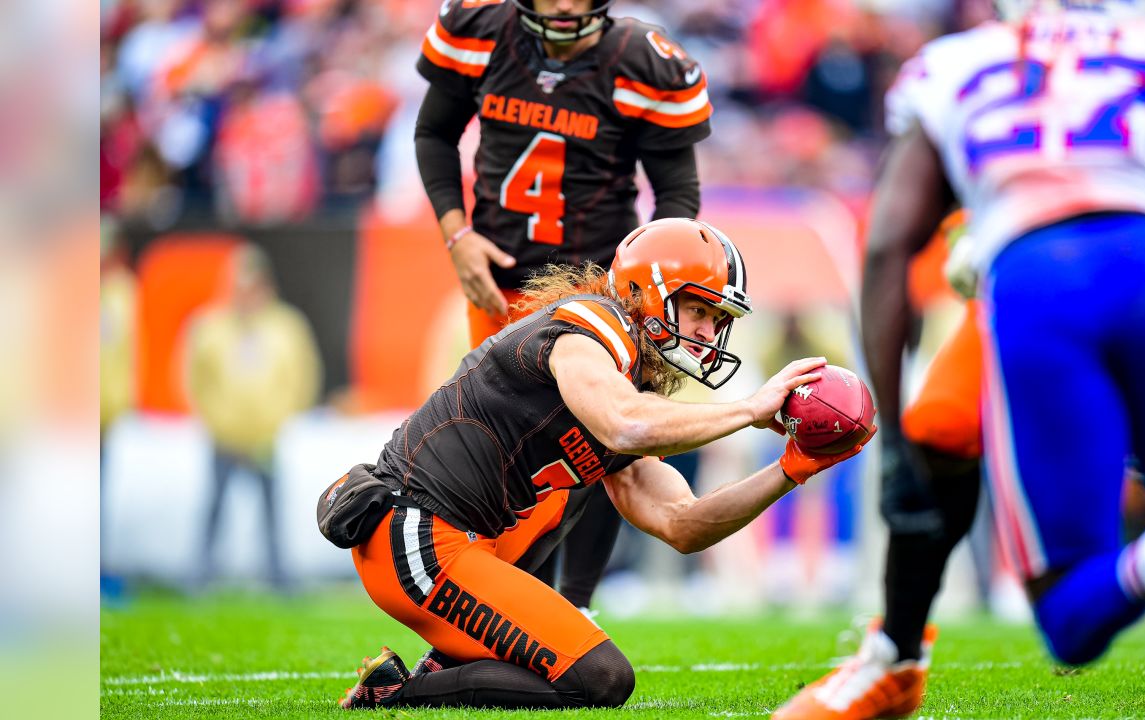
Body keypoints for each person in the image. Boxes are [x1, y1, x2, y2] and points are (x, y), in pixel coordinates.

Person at [774, 1, 1145, 718]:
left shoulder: (959, 63)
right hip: (1140, 272)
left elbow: (889, 245)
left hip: (1047, 281)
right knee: (943, 425)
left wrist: (883, 436)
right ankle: (894, 656)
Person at [327, 218, 873, 709]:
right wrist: (751, 408)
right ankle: (398, 692)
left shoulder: (628, 383)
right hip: (414, 532)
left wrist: (790, 469)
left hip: (462, 542)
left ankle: (450, 664)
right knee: (601, 679)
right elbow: (622, 423)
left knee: (572, 497)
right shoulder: (592, 324)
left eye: (717, 318)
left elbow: (682, 523)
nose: (708, 333)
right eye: (699, 310)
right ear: (647, 294)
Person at [414, 0, 712, 622]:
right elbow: (434, 133)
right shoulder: (480, 29)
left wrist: (642, 283)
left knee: (601, 449)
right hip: (501, 284)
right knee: (502, 454)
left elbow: (678, 193)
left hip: (599, 294)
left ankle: (573, 609)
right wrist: (455, 235)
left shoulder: (641, 60)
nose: (565, 5)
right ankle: (510, 606)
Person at [185, 245, 322, 590]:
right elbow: (195, 380)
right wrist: (218, 421)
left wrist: (277, 420)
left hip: (265, 437)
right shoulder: (210, 326)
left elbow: (303, 375)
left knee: (271, 510)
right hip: (225, 436)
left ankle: (278, 575)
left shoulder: (286, 326)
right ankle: (201, 574)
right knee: (214, 507)